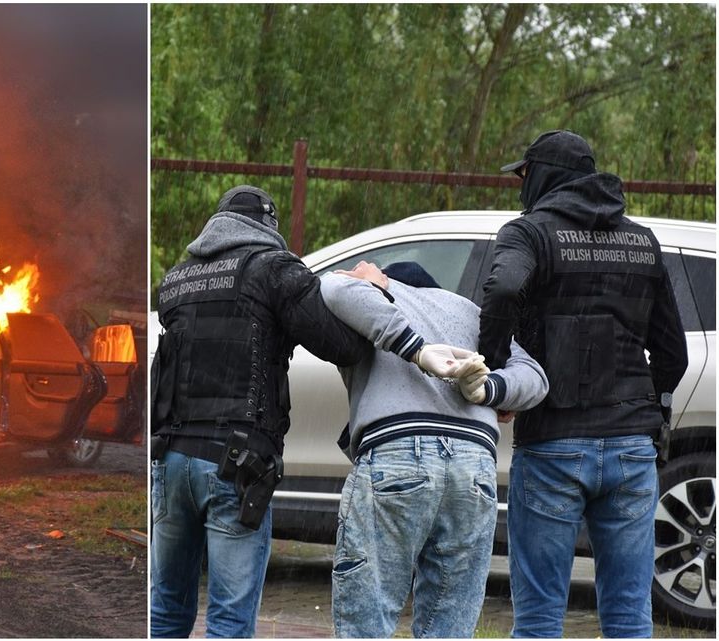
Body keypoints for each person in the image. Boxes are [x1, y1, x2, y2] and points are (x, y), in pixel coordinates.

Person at [149, 185, 471, 638]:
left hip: (170, 461)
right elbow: (342, 345)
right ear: (269, 229)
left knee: (164, 608)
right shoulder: (273, 270)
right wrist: (370, 295)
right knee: (228, 619)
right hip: (234, 466)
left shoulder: (178, 279)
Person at [478, 130, 689, 637]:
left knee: (539, 618)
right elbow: (673, 354)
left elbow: (504, 288)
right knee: (628, 616)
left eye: (524, 175)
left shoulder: (528, 234)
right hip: (633, 450)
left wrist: (496, 370)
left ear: (545, 176)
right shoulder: (642, 241)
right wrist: (650, 408)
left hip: (553, 447)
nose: (520, 188)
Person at [320, 260, 549, 638]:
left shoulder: (379, 296)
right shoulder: (470, 312)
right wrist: (489, 389)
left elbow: (331, 287)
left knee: (368, 618)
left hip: (397, 452)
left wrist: (377, 285)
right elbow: (536, 378)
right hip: (474, 469)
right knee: (448, 624)